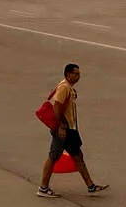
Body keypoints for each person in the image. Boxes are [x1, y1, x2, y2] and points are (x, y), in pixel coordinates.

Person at [37, 63, 108, 198]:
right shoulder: (64, 88)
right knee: (53, 157)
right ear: (68, 74)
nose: (78, 76)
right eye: (75, 74)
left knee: (78, 156)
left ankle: (91, 186)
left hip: (70, 128)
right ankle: (43, 188)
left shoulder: (67, 87)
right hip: (64, 129)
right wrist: (61, 126)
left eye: (79, 74)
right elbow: (57, 107)